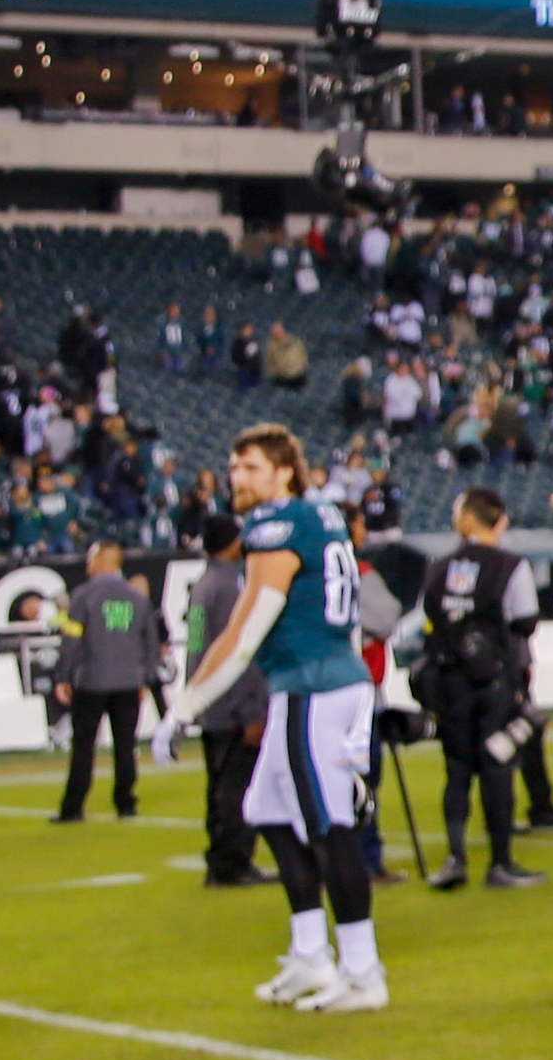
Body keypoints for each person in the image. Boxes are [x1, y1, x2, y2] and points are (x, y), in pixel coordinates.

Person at [166, 424, 388, 1014]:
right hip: (331, 678)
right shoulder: (324, 517)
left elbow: (244, 633)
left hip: (310, 688)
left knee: (327, 823)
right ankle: (312, 953)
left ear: (285, 471)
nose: (238, 478)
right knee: (265, 808)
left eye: (253, 468)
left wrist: (185, 706)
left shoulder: (275, 526)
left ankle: (363, 971)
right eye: (234, 467)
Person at [417, 488, 546, 891]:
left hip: (449, 680)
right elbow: (525, 620)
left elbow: (431, 616)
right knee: (496, 765)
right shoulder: (510, 565)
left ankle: (455, 858)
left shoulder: (440, 566)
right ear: (500, 521)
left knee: (456, 770)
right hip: (495, 680)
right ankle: (500, 862)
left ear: (468, 519)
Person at [181, 511, 273, 887]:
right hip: (234, 705)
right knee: (238, 787)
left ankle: (220, 859)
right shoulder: (233, 588)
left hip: (211, 703)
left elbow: (197, 647)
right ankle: (234, 861)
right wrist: (252, 709)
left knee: (218, 785)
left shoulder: (202, 586)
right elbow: (241, 651)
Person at [50, 541, 159, 824]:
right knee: (125, 745)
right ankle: (126, 804)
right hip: (128, 681)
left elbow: (71, 638)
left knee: (84, 746)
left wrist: (63, 675)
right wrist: (145, 676)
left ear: (101, 561)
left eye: (91, 558)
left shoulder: (83, 596)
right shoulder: (137, 598)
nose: (87, 564)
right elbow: (150, 640)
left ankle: (73, 807)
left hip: (92, 680)